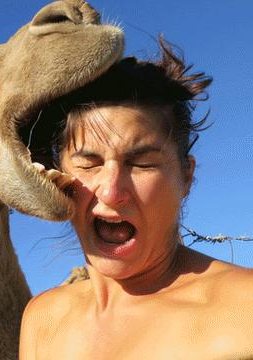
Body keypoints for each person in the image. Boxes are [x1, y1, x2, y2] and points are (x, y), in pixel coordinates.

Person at [19, 39, 253, 360]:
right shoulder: (43, 320)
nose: (111, 192)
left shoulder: (243, 311)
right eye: (89, 163)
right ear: (58, 175)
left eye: (142, 163)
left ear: (186, 177)